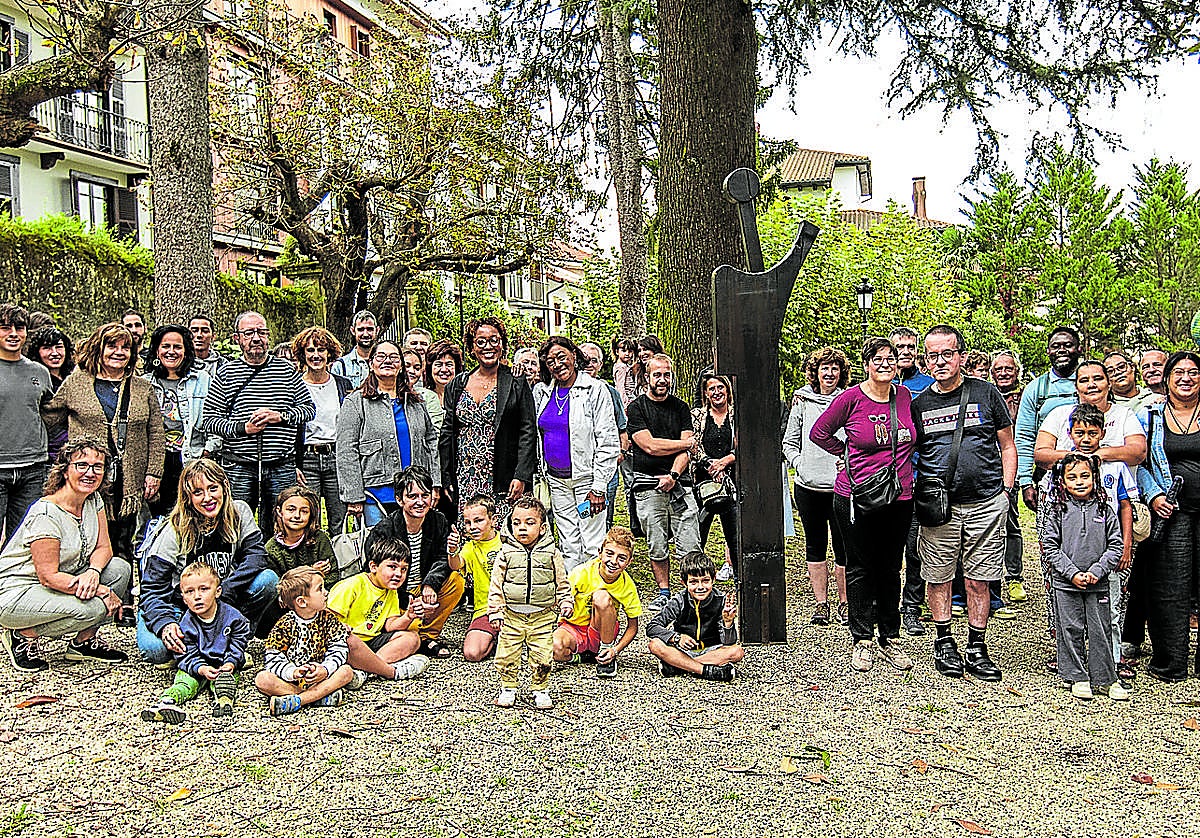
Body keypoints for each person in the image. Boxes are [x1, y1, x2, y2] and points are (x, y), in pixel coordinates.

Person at [911, 325, 1017, 682]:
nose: (940, 361)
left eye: (947, 354)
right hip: (940, 507)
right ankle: (943, 641)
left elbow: (1007, 444)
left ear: (961, 356)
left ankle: (976, 645)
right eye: (933, 356)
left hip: (986, 501)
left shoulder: (986, 394)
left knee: (979, 579)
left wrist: (1005, 489)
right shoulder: (919, 404)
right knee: (938, 577)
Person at [810, 337, 918, 671]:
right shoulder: (850, 398)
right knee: (859, 566)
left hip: (899, 494)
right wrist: (844, 454)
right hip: (857, 495)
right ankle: (861, 638)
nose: (885, 364)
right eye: (878, 359)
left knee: (889, 566)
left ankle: (890, 634)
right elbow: (820, 432)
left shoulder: (904, 396)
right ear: (866, 363)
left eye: (890, 358)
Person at [0, 438, 129, 672]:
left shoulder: (93, 499)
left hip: (64, 579)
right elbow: (48, 576)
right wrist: (101, 589)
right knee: (94, 608)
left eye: (97, 467)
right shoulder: (46, 513)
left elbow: (104, 548)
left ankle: (83, 643)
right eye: (82, 465)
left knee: (119, 569)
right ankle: (22, 635)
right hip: (18, 591)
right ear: (65, 470)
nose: (90, 473)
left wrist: (93, 572)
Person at [44, 322, 164, 567]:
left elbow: (156, 431)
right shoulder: (76, 382)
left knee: (124, 543)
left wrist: (154, 472)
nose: (119, 352)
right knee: (88, 539)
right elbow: (48, 419)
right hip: (89, 477)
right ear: (99, 348)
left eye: (126, 347)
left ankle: (125, 597)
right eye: (112, 346)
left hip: (129, 479)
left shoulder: (142, 387)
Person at [137, 459, 278, 664]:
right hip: (181, 604)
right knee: (156, 650)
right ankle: (203, 644)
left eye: (213, 488)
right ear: (187, 497)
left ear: (224, 487)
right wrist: (165, 623)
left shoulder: (239, 512)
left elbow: (257, 557)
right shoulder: (173, 530)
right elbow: (152, 589)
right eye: (198, 492)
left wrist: (224, 589)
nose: (208, 498)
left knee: (267, 580)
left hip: (223, 598)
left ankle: (236, 638)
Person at [1040, 404, 1137, 678]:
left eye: (1092, 433)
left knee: (1109, 609)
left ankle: (1110, 663)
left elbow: (1125, 504)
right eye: (1079, 433)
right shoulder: (1061, 468)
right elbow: (1050, 514)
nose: (1085, 439)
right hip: (1069, 553)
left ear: (1102, 434)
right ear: (1069, 434)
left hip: (1106, 549)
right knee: (1067, 612)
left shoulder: (1115, 466)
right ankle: (1072, 663)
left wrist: (1126, 543)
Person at [198, 311, 315, 538]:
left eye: (261, 332)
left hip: (281, 465)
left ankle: (280, 569)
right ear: (237, 339)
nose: (256, 338)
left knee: (285, 525)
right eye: (249, 333)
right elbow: (210, 420)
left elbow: (308, 410)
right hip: (239, 466)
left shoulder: (286, 370)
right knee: (236, 524)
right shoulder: (226, 373)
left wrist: (279, 416)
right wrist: (244, 429)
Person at [1040, 453, 1129, 701]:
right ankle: (1077, 676)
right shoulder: (1058, 510)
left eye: (1085, 476)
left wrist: (1096, 571)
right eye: (1072, 477)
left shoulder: (1106, 510)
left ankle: (1106, 678)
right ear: (1063, 482)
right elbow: (1049, 545)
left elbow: (1115, 546)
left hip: (1097, 584)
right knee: (1070, 628)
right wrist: (1072, 573)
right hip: (1066, 584)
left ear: (1094, 478)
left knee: (1100, 629)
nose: (1079, 482)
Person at [1136, 350, 1200, 682]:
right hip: (1172, 512)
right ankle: (1170, 662)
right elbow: (1142, 463)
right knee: (1170, 588)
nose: (1186, 378)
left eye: (1193, 372)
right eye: (1179, 373)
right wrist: (1155, 494)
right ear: (1167, 378)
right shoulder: (1150, 417)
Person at [533, 336, 619, 572]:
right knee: (568, 541)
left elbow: (608, 441)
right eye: (550, 361)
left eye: (562, 357)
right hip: (556, 480)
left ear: (574, 356)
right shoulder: (545, 392)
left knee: (591, 541)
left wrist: (599, 487)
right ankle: (573, 594)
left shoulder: (595, 389)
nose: (557, 364)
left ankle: (595, 596)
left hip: (587, 481)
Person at [439, 317, 537, 525]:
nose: (488, 347)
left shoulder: (515, 380)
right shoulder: (457, 384)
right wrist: (446, 476)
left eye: (494, 340)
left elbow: (528, 430)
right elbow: (447, 432)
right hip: (466, 474)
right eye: (481, 342)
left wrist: (521, 475)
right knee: (471, 531)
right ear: (471, 347)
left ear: (502, 345)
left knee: (501, 534)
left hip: (503, 475)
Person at [336, 340, 440, 527]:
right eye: (381, 357)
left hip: (415, 493)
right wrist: (353, 495)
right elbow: (346, 451)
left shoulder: (416, 401)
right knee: (382, 550)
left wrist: (435, 484)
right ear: (371, 363)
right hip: (375, 496)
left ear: (401, 365)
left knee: (414, 550)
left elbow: (431, 442)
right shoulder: (356, 402)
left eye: (393, 357)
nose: (387, 361)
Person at [363, 466, 464, 657]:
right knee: (411, 623)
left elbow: (443, 557)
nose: (420, 502)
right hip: (394, 595)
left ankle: (427, 636)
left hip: (421, 586)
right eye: (412, 496)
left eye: (425, 495)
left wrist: (430, 584)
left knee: (456, 582)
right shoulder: (384, 530)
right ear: (400, 500)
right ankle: (411, 635)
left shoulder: (438, 521)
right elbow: (374, 574)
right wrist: (411, 604)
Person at [625, 353, 700, 611]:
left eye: (667, 374)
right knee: (656, 542)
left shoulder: (681, 408)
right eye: (657, 374)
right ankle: (664, 591)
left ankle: (691, 591)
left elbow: (685, 453)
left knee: (690, 541)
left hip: (679, 483)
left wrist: (674, 475)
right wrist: (687, 443)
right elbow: (650, 446)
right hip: (647, 486)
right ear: (647, 377)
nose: (662, 379)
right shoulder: (636, 408)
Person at [783, 347, 849, 626]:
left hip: (840, 486)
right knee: (815, 545)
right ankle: (821, 603)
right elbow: (789, 441)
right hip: (809, 486)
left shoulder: (848, 400)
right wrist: (801, 464)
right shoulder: (802, 400)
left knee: (844, 546)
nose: (830, 374)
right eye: (825, 368)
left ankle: (845, 602)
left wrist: (847, 462)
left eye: (835, 368)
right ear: (816, 372)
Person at [488, 495, 572, 709]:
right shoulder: (505, 553)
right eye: (517, 523)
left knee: (543, 655)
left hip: (542, 616)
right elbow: (496, 585)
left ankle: (540, 688)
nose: (522, 528)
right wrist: (495, 612)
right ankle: (508, 687)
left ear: (543, 528)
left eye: (529, 522)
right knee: (507, 653)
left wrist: (565, 601)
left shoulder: (552, 553)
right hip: (511, 615)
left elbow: (562, 581)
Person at [140, 562, 248, 723]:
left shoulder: (233, 618)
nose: (197, 596)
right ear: (183, 598)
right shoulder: (185, 624)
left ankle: (224, 702)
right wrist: (201, 668)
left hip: (223, 664)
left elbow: (238, 642)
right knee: (185, 682)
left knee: (225, 680)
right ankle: (166, 703)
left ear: (217, 591)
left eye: (204, 589)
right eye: (189, 592)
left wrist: (231, 662)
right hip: (197, 665)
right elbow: (185, 653)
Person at [326, 535, 429, 682]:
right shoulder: (352, 585)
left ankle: (366, 671)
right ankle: (390, 671)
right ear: (373, 566)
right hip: (348, 643)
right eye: (392, 567)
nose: (399, 574)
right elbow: (326, 617)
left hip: (371, 641)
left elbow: (390, 625)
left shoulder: (390, 590)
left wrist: (408, 616)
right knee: (350, 640)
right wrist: (341, 627)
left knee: (412, 638)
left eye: (404, 569)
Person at [256, 566, 354, 716]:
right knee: (262, 679)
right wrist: (293, 672)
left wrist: (325, 669)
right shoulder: (284, 625)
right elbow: (273, 659)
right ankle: (317, 698)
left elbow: (339, 648)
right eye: (320, 589)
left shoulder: (328, 620)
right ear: (302, 602)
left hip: (320, 677)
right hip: (291, 680)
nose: (326, 593)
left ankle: (297, 701)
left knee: (346, 671)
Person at [142, 324, 215, 518]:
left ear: (186, 350)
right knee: (157, 519)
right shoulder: (145, 383)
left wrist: (208, 451)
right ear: (157, 350)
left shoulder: (202, 380)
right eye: (166, 346)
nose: (171, 352)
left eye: (177, 347)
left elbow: (214, 418)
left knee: (193, 516)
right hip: (157, 463)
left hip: (192, 458)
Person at [553, 525, 643, 678]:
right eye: (609, 554)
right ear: (600, 553)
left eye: (622, 558)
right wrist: (563, 604)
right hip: (574, 627)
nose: (614, 561)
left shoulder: (627, 586)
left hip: (601, 630)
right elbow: (560, 597)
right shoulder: (581, 572)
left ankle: (605, 652)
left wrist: (615, 650)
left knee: (601, 597)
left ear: (629, 562)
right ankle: (582, 657)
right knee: (554, 648)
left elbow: (633, 626)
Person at [1, 305, 55, 548]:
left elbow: (51, 413)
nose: (13, 334)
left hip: (33, 467)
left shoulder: (39, 372)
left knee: (22, 540)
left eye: (19, 328)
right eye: (5, 328)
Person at [890, 327, 934, 629]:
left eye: (910, 347)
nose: (905, 352)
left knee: (916, 548)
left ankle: (912, 607)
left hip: (920, 478)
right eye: (899, 348)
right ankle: (885, 605)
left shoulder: (928, 385)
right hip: (885, 482)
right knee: (886, 549)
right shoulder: (880, 385)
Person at [291, 326, 353, 536]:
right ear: (303, 354)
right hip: (307, 458)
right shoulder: (294, 385)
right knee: (309, 516)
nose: (316, 355)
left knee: (339, 517)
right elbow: (290, 427)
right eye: (310, 350)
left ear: (329, 353)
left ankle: (338, 561)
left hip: (336, 456)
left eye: (321, 350)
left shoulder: (343, 385)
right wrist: (294, 462)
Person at [645, 551, 742, 681]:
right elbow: (652, 627)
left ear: (713, 579)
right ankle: (705, 671)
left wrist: (728, 622)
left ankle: (678, 666)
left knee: (737, 652)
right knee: (654, 644)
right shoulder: (679, 600)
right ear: (684, 583)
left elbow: (729, 642)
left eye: (705, 581)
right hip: (681, 650)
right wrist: (677, 638)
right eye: (694, 582)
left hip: (711, 650)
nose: (700, 587)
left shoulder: (721, 600)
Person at [1016, 327, 1082, 511]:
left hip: (1091, 474)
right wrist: (1026, 482)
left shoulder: (1092, 381)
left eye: (1068, 345)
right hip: (1049, 475)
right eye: (1055, 346)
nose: (1061, 350)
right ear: (1048, 351)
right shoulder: (1036, 389)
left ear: (1079, 349)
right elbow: (1025, 437)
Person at [260, 485, 339, 634]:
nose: (297, 515)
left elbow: (333, 575)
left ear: (311, 515)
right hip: (287, 608)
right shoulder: (271, 548)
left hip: (320, 601)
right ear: (279, 511)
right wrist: (312, 572)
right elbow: (281, 590)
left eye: (304, 511)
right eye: (291, 509)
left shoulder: (319, 540)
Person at [692, 374, 738, 581]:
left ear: (727, 390)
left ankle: (739, 578)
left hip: (732, 480)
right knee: (698, 532)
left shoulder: (738, 415)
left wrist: (726, 461)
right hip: (704, 479)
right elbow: (692, 444)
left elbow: (745, 443)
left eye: (720, 387)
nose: (716, 392)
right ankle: (694, 578)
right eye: (712, 388)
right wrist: (709, 464)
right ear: (705, 393)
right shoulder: (698, 416)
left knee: (734, 534)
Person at [579, 342, 629, 529]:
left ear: (600, 365)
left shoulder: (610, 392)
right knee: (581, 518)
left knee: (602, 518)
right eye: (584, 359)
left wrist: (619, 455)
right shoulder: (564, 389)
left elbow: (622, 430)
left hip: (605, 468)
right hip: (578, 469)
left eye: (594, 360)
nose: (588, 364)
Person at [458, 493, 504, 662]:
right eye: (468, 523)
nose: (472, 527)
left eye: (478, 521)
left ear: (492, 520)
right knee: (472, 653)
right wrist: (452, 550)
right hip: (486, 608)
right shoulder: (470, 547)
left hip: (514, 608)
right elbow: (457, 564)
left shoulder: (508, 542)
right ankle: (494, 638)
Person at [423, 339, 464, 437]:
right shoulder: (422, 398)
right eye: (438, 365)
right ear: (430, 369)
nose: (444, 370)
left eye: (449, 365)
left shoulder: (464, 396)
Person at [330, 310, 377, 388]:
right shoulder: (340, 366)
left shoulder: (384, 364)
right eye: (361, 329)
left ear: (377, 330)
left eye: (370, 329)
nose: (365, 334)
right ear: (352, 330)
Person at [25, 325, 74, 391]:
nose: (55, 353)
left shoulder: (73, 377)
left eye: (59, 347)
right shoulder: (33, 382)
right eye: (47, 348)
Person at [188, 314, 228, 379]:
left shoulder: (222, 364)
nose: (199, 335)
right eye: (194, 331)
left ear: (213, 336)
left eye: (205, 331)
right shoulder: (180, 362)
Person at [611, 337, 638, 408]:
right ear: (617, 352)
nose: (627, 354)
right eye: (623, 351)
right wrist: (625, 405)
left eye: (630, 351)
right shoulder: (621, 367)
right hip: (627, 399)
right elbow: (620, 387)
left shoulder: (624, 366)